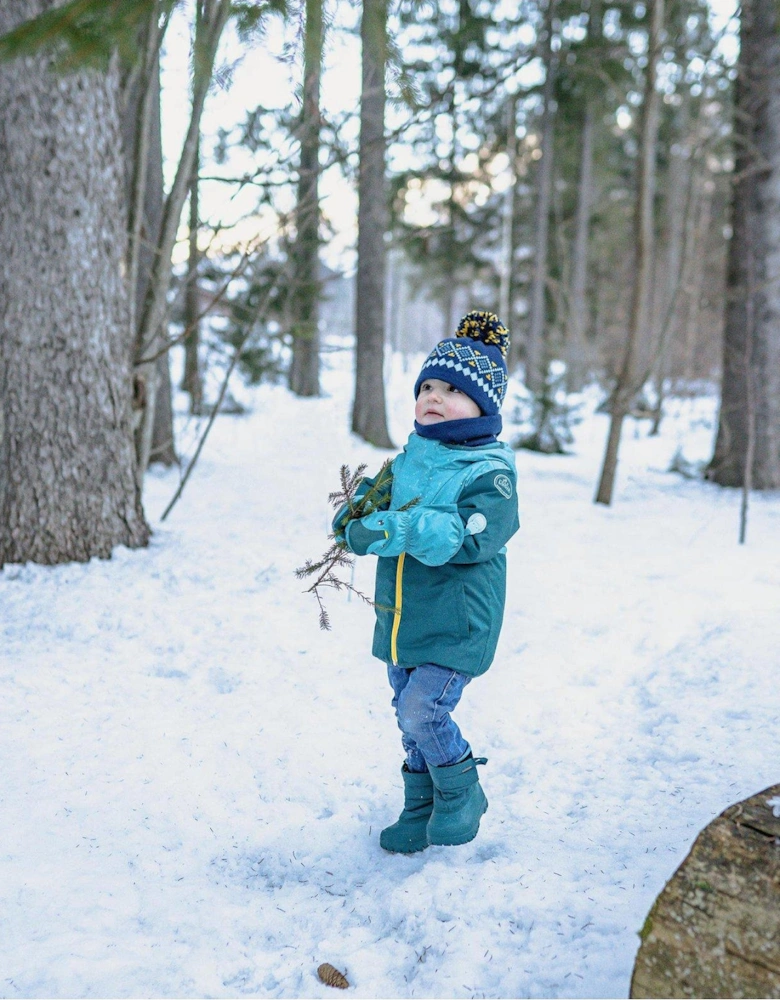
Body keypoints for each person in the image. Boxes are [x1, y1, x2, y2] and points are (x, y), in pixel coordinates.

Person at [334, 311, 520, 854]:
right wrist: (355, 520)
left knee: (424, 709)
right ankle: (420, 806)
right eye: (428, 387)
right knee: (405, 711)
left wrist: (400, 526)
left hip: (458, 622)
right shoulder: (411, 458)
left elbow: (467, 537)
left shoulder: (491, 473)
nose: (435, 397)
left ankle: (462, 790)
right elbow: (373, 508)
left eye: (452, 390)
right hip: (403, 616)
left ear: (483, 406)